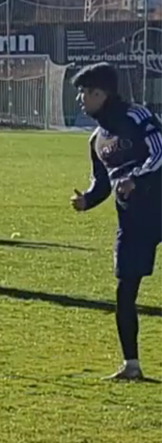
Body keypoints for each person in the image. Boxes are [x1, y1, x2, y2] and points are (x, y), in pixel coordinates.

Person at [69, 62, 162, 381]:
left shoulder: (137, 117)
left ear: (101, 93)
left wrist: (137, 178)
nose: (81, 100)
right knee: (125, 293)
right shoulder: (96, 139)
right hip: (133, 221)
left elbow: (160, 153)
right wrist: (87, 200)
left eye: (84, 93)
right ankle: (131, 366)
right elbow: (104, 183)